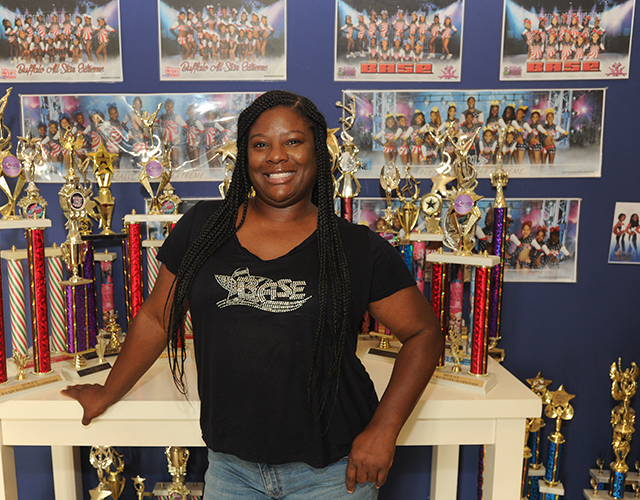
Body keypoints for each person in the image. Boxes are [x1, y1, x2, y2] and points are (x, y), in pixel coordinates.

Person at [62, 90, 443, 499]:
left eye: (293, 141)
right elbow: (157, 318)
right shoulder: (204, 227)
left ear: (318, 152)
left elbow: (424, 334)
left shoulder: (354, 246)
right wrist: (106, 391)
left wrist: (385, 428)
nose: (276, 156)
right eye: (260, 144)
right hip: (232, 471)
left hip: (334, 473)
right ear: (245, 157)